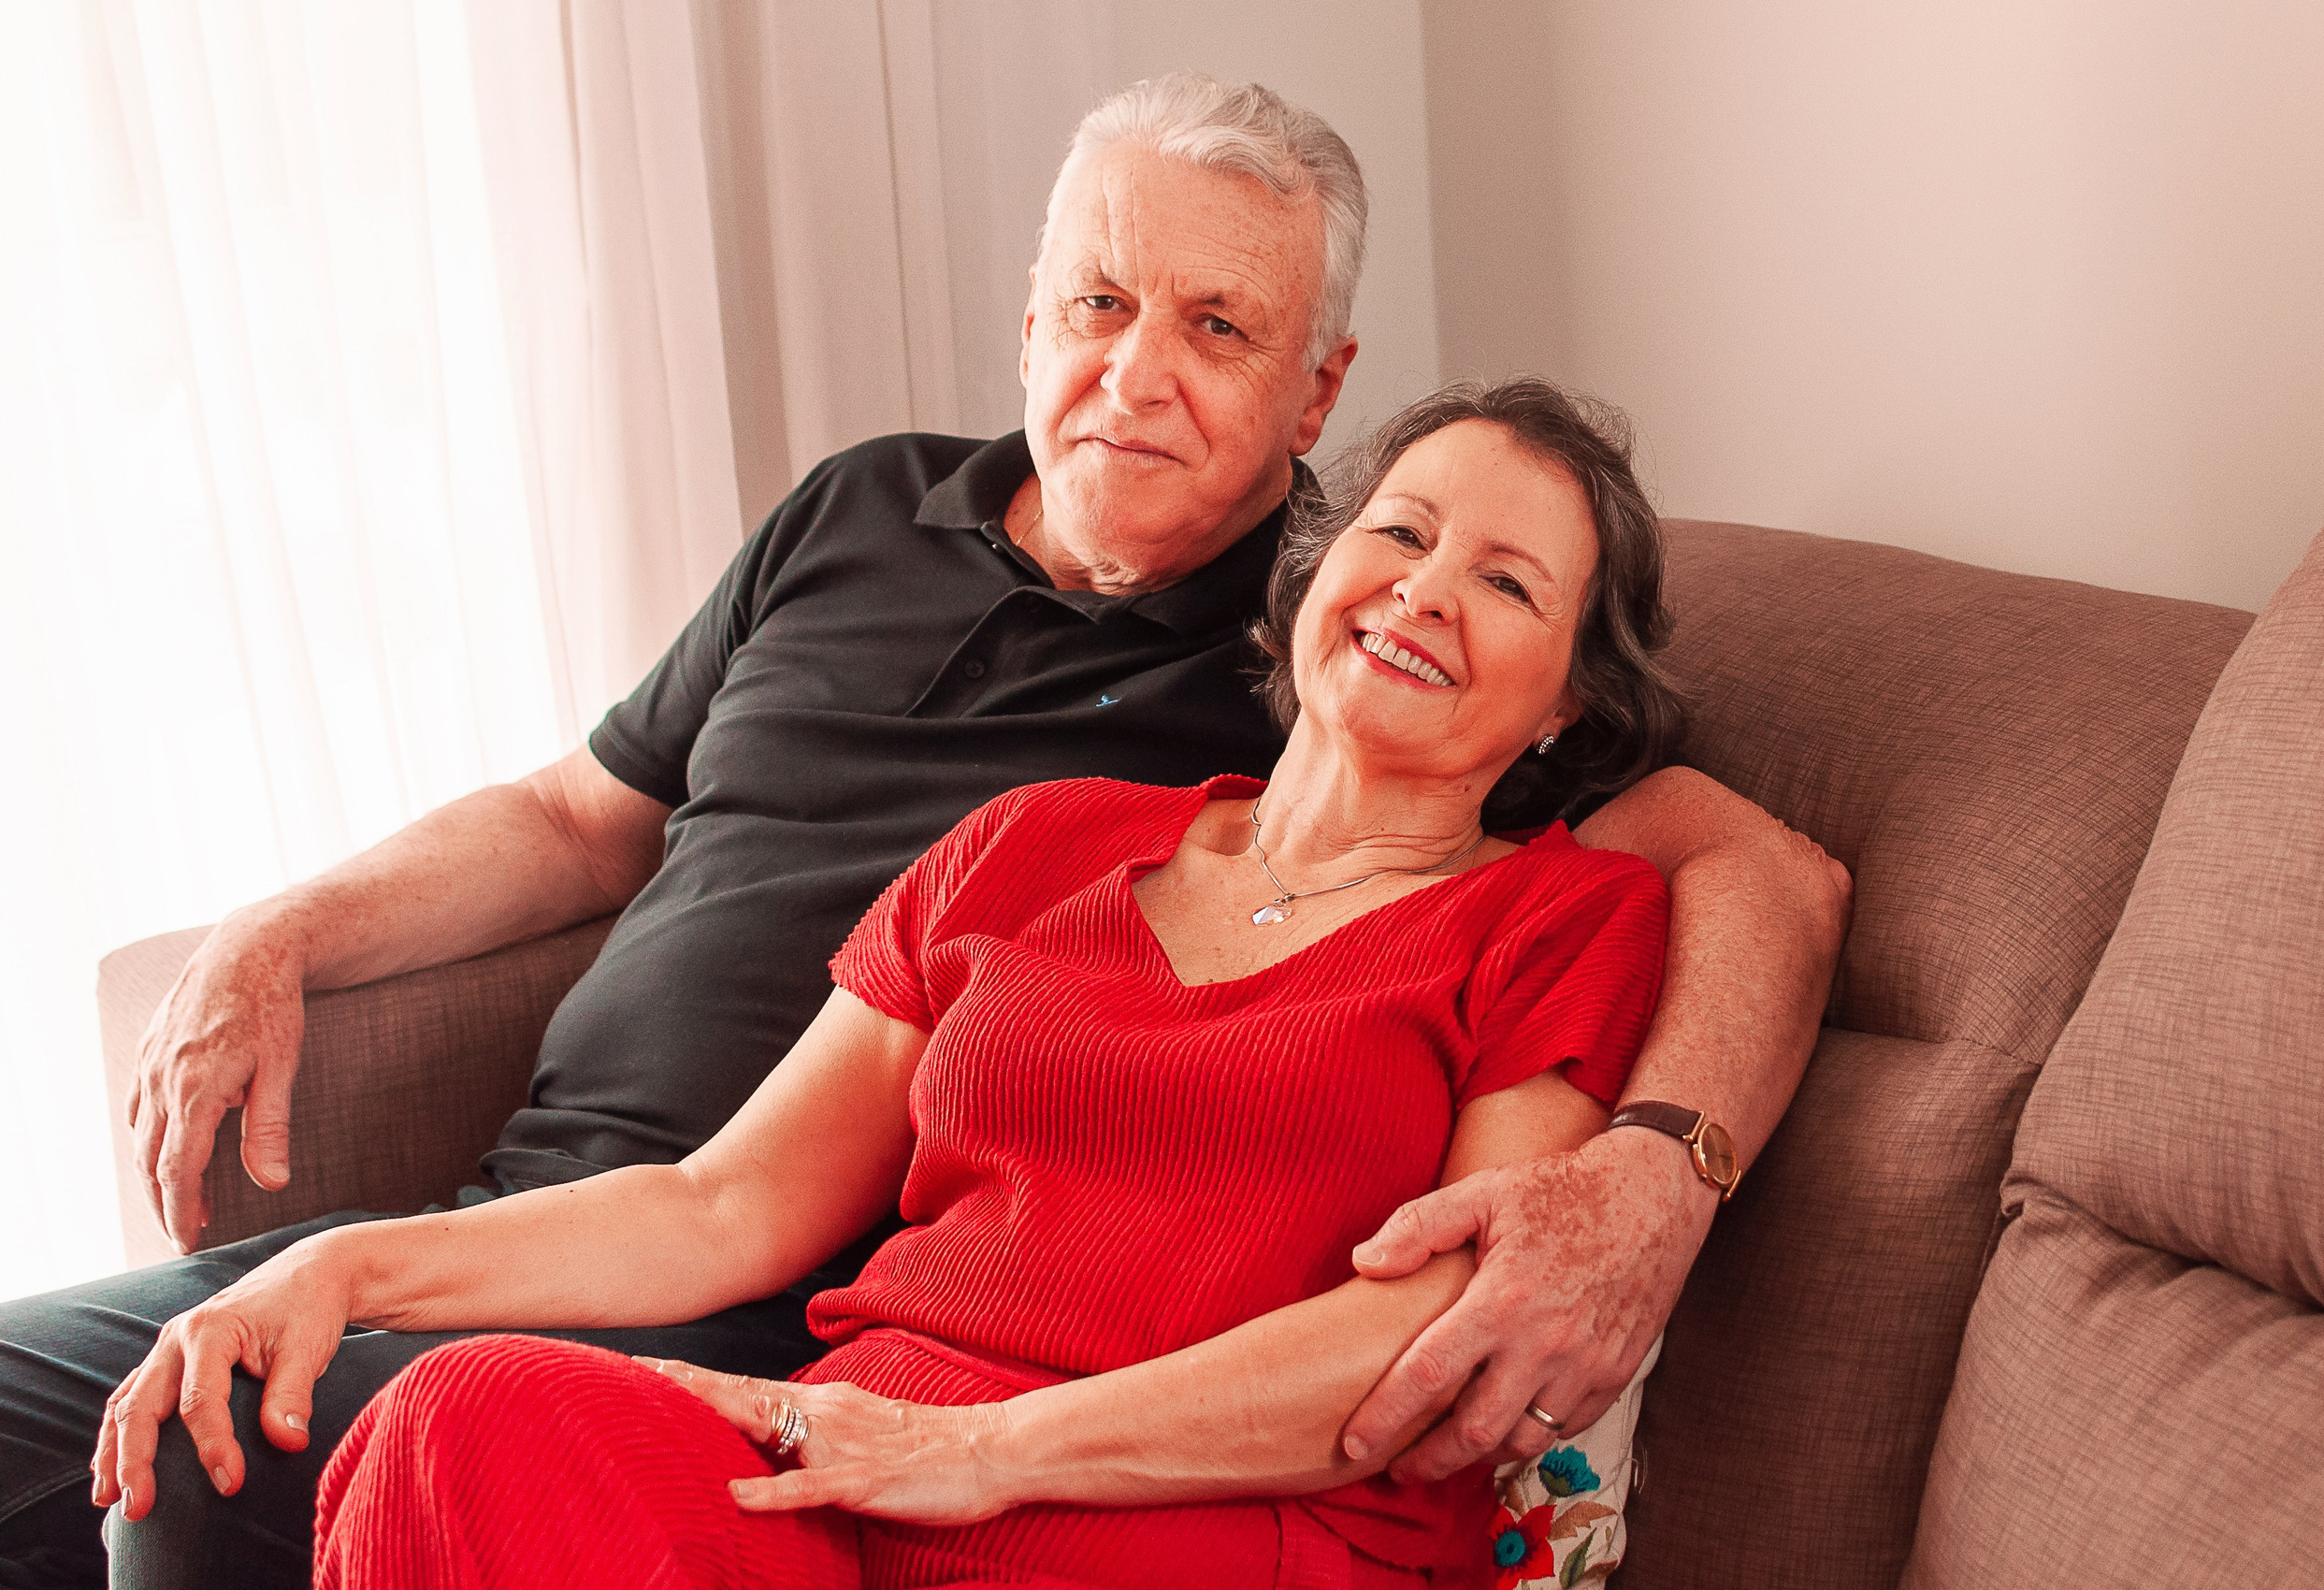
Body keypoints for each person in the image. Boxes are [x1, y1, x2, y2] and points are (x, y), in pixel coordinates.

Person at [0, 74, 1845, 1590]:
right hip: (692, 1313)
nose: (1138, 372)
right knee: (357, 1404)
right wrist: (294, 1030)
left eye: (1218, 329)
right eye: (1103, 304)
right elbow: (595, 855)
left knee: (193, 1468)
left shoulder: (1531, 880)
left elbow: (1761, 874)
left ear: (1310, 405)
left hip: (976, 1425)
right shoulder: (990, 742)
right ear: (1034, 313)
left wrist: (1655, 1167)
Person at [174, 377, 1680, 1589]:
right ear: (1318, 570)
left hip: (1200, 1520)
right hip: (849, 1481)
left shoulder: (1560, 918)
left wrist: (993, 1452)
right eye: (1401, 535)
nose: (1424, 593)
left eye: (1506, 583)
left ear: (1573, 702)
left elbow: (1414, 1344)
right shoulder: (1036, 840)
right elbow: (726, 1205)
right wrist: (347, 1267)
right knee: (464, 1421)